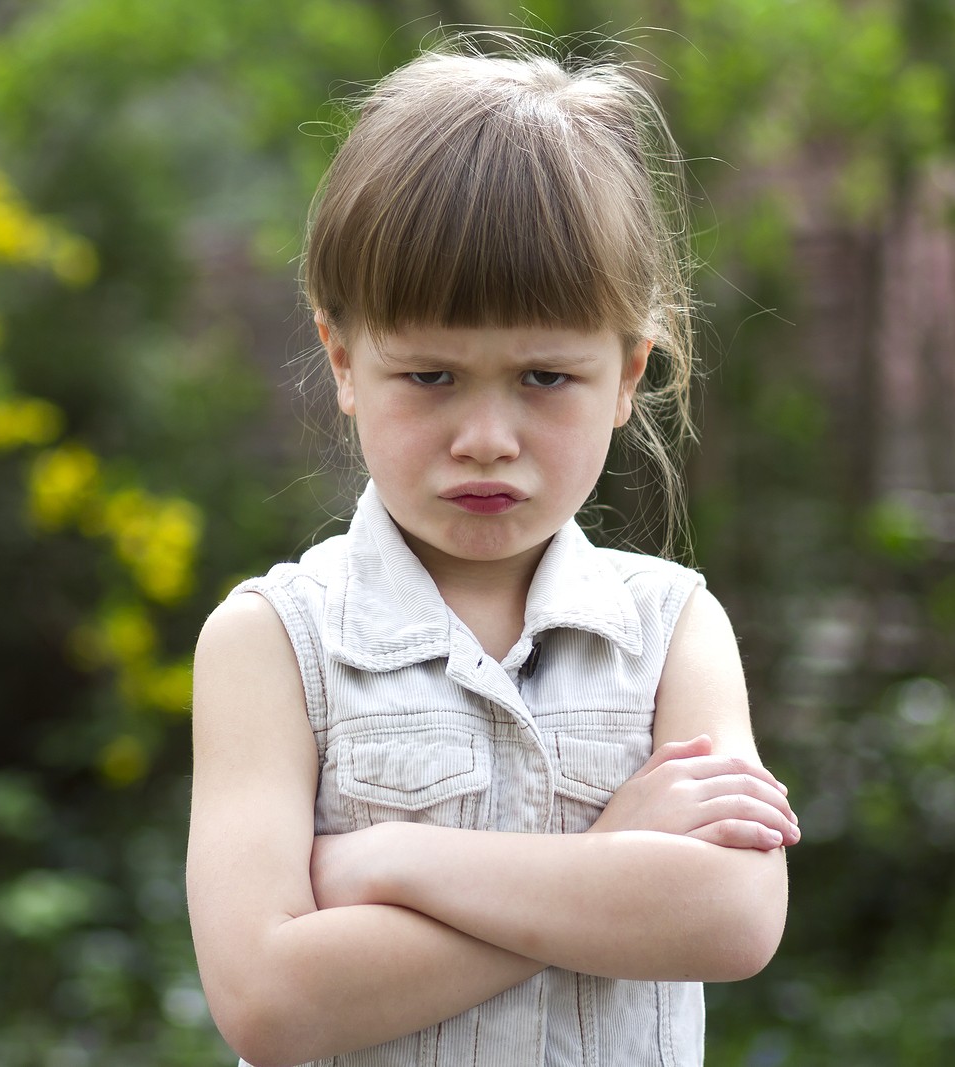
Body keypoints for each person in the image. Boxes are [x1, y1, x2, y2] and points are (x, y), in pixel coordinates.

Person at [187, 33, 799, 1067]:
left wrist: (391, 861)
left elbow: (732, 915)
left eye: (543, 378)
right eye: (429, 376)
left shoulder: (671, 628)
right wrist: (609, 864)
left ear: (624, 373)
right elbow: (268, 998)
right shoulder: (271, 643)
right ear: (343, 360)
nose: (485, 436)